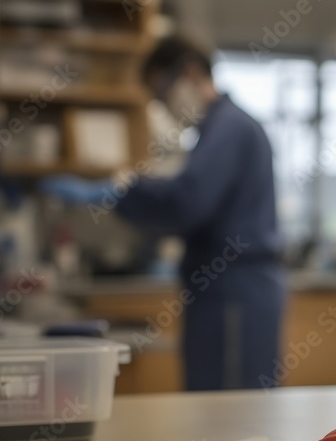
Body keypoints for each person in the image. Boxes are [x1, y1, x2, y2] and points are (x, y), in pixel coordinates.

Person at [42, 36, 284, 391]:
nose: (164, 105)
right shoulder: (215, 131)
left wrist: (123, 189)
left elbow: (189, 200)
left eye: (162, 91)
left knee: (231, 413)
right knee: (213, 410)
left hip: (235, 292)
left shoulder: (230, 128)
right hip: (220, 289)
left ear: (189, 73)